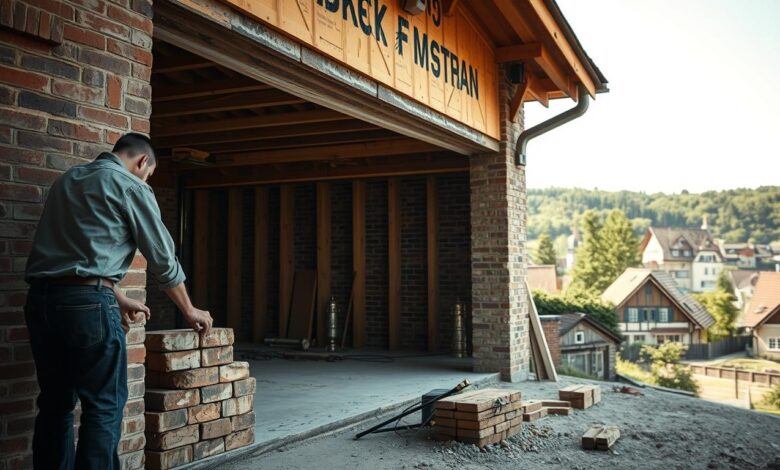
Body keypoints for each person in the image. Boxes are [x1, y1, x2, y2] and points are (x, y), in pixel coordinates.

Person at [24, 133, 212, 469]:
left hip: (41, 302)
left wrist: (116, 294)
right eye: (149, 174)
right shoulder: (130, 184)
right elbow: (162, 258)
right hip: (89, 306)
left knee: (55, 405)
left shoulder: (66, 181)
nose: (145, 179)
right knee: (104, 406)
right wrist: (189, 308)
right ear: (143, 162)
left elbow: (73, 256)